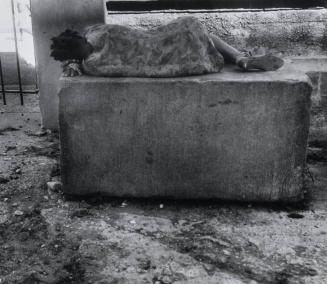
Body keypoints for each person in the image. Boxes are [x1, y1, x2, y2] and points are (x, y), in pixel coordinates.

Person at [50, 16, 284, 77]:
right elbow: (134, 58)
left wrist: (76, 63)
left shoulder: (92, 61)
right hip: (163, 45)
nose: (84, 46)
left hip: (163, 47)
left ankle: (241, 58)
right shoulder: (95, 39)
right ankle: (241, 58)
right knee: (202, 33)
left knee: (200, 34)